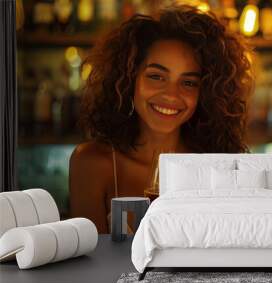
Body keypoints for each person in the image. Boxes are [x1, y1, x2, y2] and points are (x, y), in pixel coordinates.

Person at [69, 5, 254, 233]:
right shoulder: (92, 163)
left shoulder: (216, 168)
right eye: (156, 76)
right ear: (129, 78)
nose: (171, 95)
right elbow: (89, 264)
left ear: (204, 94)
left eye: (188, 82)